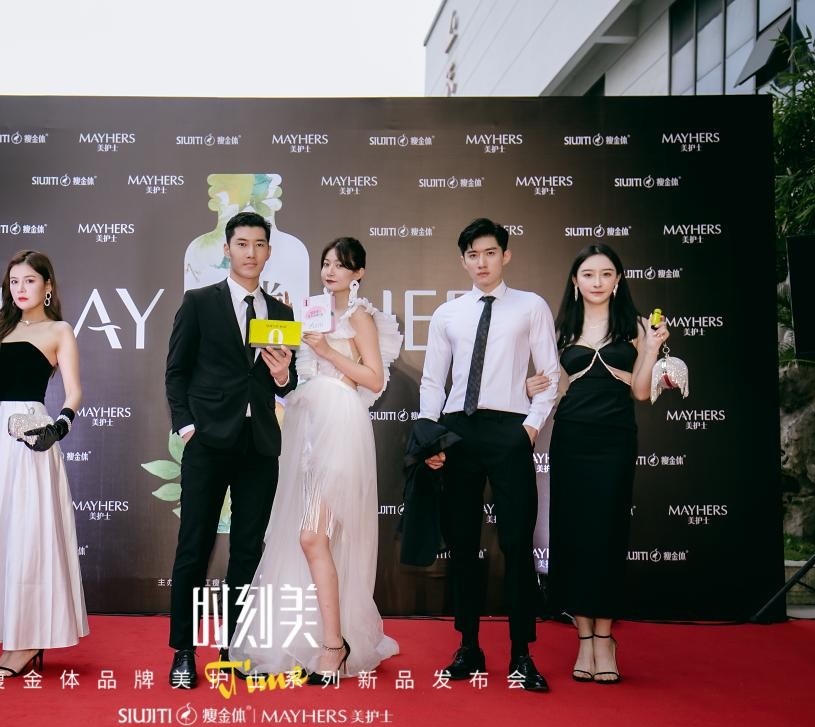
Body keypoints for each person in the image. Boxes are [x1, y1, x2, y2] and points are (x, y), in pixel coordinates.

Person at [231, 237, 401, 682]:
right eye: (326, 263)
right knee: (308, 537)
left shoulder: (359, 316)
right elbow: (296, 376)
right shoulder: (309, 312)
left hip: (340, 424)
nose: (331, 271)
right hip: (305, 422)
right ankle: (317, 638)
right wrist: (282, 368)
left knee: (312, 536)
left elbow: (374, 378)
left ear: (358, 273)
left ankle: (334, 644)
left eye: (341, 265)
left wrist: (327, 351)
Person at [419, 217, 559, 691]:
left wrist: (530, 429)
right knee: (462, 543)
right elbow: (433, 381)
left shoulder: (530, 307)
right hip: (457, 431)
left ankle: (521, 653)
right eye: (473, 255)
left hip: (509, 431)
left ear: (506, 255)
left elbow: (550, 375)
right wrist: (430, 437)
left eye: (490, 253)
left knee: (517, 543)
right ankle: (469, 647)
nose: (482, 262)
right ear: (463, 261)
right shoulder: (447, 314)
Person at [524, 244, 668, 684]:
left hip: (616, 439)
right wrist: (530, 387)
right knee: (573, 535)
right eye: (589, 274)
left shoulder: (637, 326)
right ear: (575, 281)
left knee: (607, 535)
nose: (598, 281)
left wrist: (652, 349)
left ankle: (605, 639)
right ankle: (584, 638)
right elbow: (553, 389)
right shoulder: (561, 329)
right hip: (571, 439)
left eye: (606, 274)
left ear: (618, 280)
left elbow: (640, 392)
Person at [164, 211, 297, 688]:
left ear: (268, 251)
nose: (250, 253)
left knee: (247, 550)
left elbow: (287, 384)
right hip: (208, 443)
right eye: (242, 244)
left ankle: (234, 647)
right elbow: (176, 372)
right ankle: (183, 650)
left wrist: (282, 374)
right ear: (227, 249)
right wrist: (187, 429)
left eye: (259, 244)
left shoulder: (281, 313)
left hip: (259, 445)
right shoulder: (199, 302)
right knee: (194, 546)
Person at [0, 250, 89, 677]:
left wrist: (58, 428)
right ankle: (12, 634)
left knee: (29, 536)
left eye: (29, 280)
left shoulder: (59, 330)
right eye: (14, 282)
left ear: (48, 285)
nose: (21, 289)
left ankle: (27, 642)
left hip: (32, 436)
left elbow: (75, 392)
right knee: (0, 532)